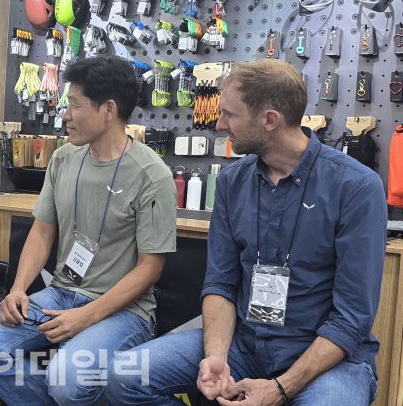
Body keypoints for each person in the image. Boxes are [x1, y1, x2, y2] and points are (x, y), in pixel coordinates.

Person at [106, 58, 387, 405]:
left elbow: (352, 318)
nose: (219, 124)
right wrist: (216, 356)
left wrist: (280, 388)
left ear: (269, 120)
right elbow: (220, 284)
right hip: (245, 345)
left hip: (328, 361)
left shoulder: (356, 187)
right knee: (124, 376)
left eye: (229, 114)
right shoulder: (232, 182)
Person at [0, 55, 177, 405]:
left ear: (108, 110)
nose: (65, 115)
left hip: (124, 311)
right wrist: (18, 289)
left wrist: (86, 316)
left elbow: (150, 268)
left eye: (75, 105)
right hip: (62, 294)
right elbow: (42, 232)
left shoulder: (152, 175)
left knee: (67, 379)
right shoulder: (63, 159)